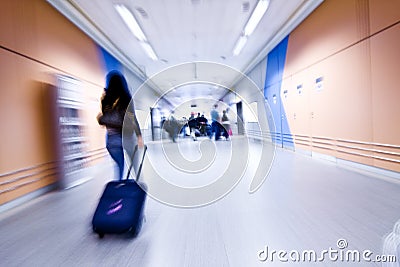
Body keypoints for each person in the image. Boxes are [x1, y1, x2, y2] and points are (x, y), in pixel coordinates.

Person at [99, 70, 143, 180]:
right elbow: (132, 119)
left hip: (112, 138)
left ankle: (119, 192)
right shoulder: (126, 99)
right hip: (127, 136)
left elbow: (107, 117)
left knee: (119, 168)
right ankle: (137, 191)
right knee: (135, 166)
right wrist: (139, 136)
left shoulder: (105, 99)